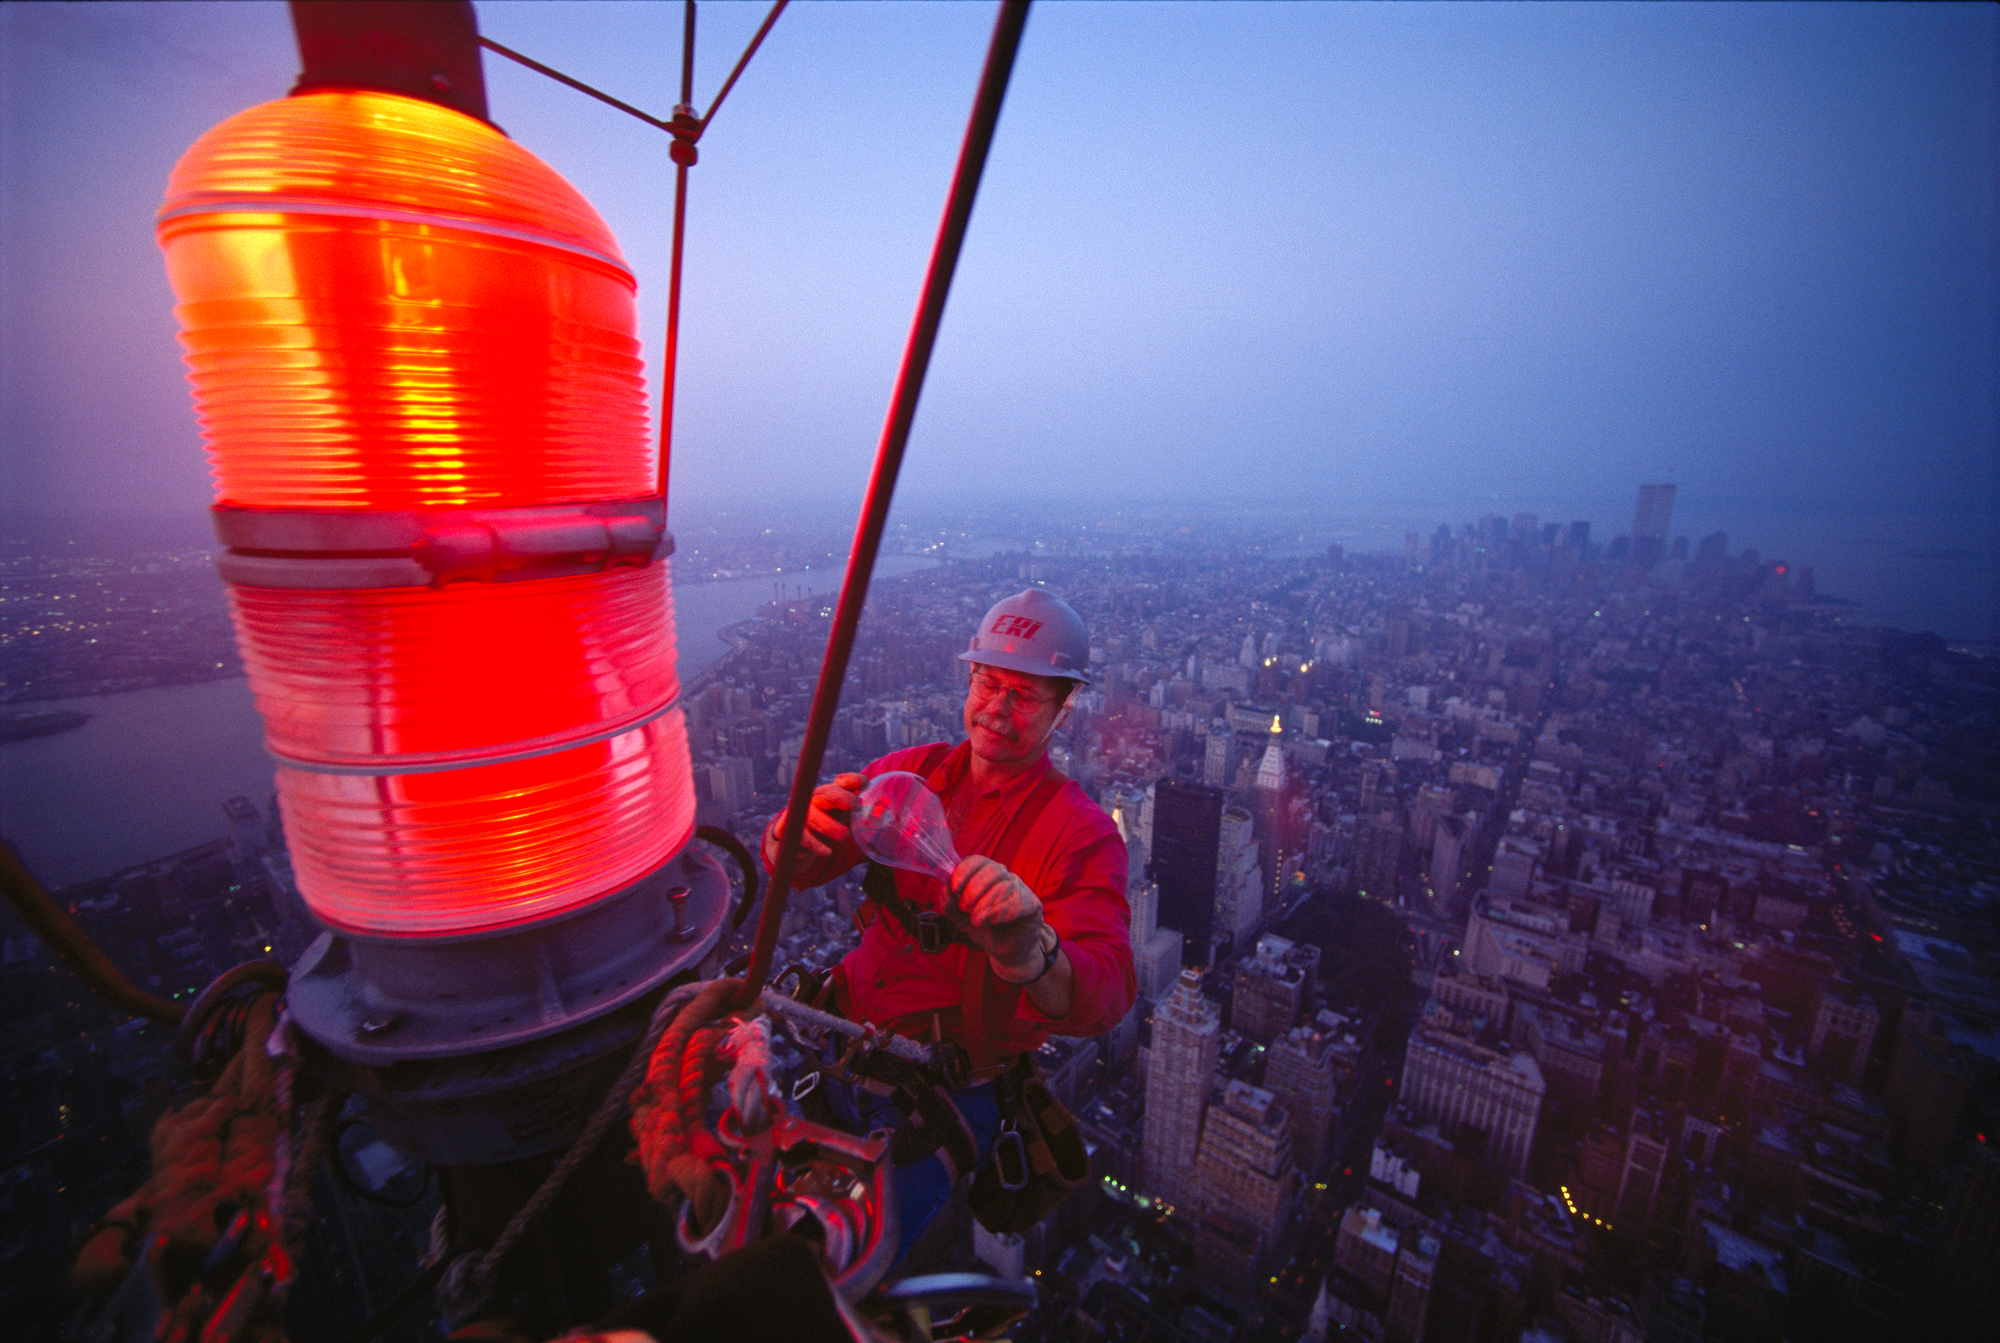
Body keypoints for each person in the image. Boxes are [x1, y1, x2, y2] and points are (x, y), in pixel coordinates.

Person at [760, 589, 1136, 1253]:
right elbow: (810, 861)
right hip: (835, 1040)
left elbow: (1106, 990)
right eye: (988, 682)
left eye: (1025, 694)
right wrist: (790, 839)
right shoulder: (910, 773)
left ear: (1064, 706)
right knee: (756, 1229)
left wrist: (1034, 952)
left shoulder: (1078, 834)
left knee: (829, 1269)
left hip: (938, 1096)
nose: (997, 707)